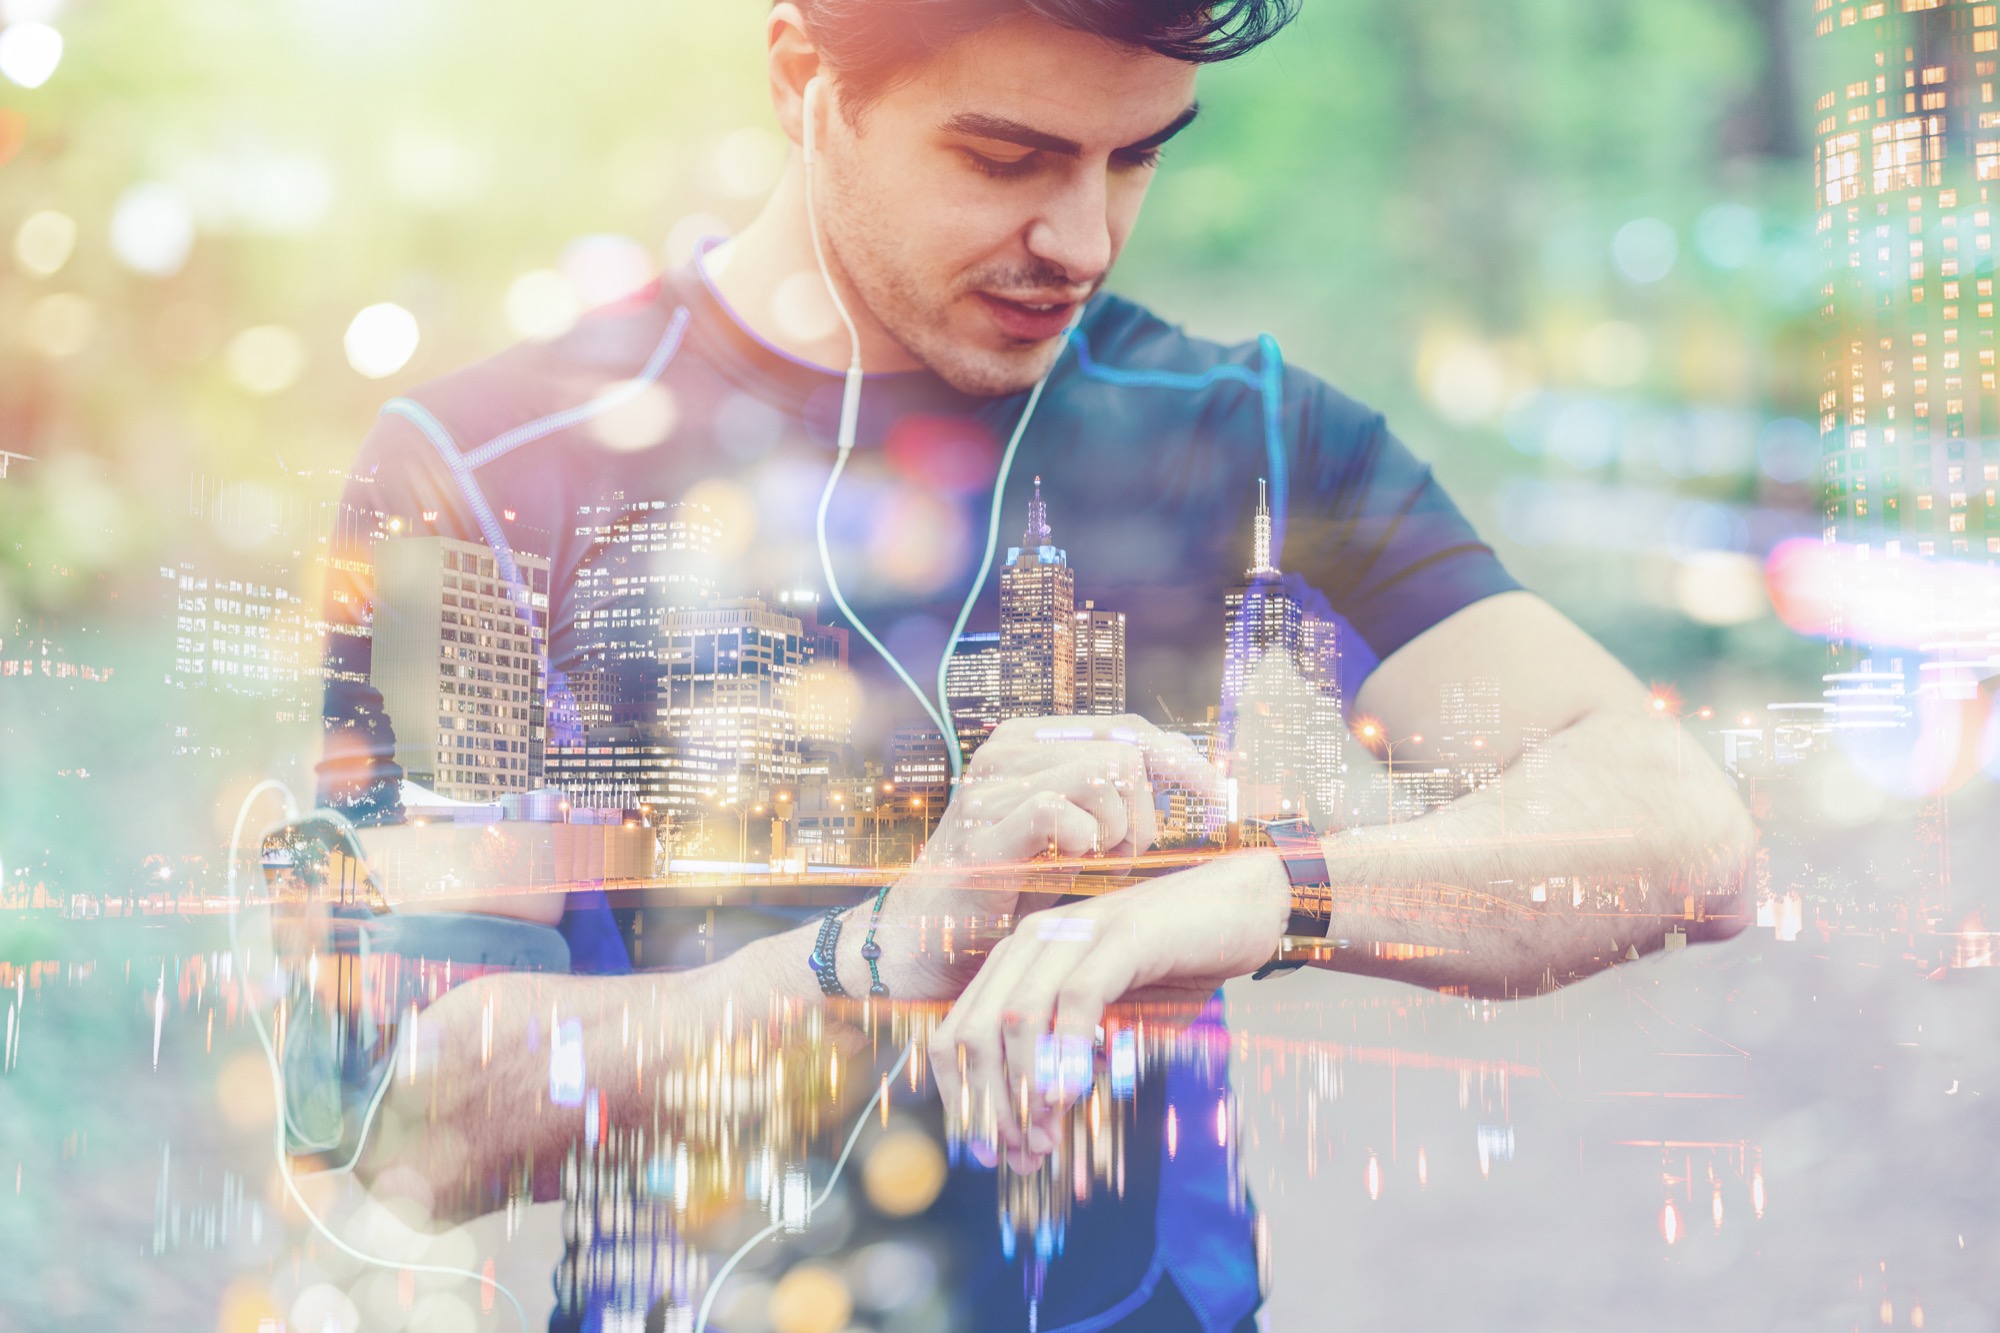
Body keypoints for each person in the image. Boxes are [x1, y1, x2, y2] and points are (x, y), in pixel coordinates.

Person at [313, 0, 1754, 1326]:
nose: (1084, 238)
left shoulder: (1240, 430)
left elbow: (1683, 828)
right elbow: (407, 1122)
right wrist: (880, 950)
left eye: (1136, 159)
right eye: (1009, 158)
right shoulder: (486, 471)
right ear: (804, 79)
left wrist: (1262, 896)